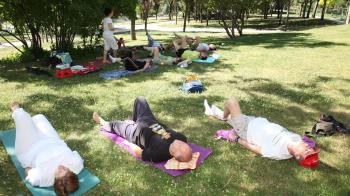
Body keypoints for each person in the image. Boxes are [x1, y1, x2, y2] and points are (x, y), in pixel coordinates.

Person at [204, 98, 317, 160]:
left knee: (232, 103)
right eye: (311, 149)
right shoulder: (296, 139)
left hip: (245, 130)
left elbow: (255, 149)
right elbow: (308, 143)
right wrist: (308, 150)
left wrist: (237, 139)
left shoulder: (278, 153)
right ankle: (213, 113)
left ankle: (223, 117)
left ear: (297, 155)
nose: (308, 146)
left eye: (307, 150)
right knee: (231, 117)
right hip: (255, 121)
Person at [10, 102, 83, 195]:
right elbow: (78, 161)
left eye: (60, 172)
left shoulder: (45, 178)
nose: (62, 167)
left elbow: (28, 172)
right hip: (51, 139)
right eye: (66, 169)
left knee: (22, 117)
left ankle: (16, 109)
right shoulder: (76, 165)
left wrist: (29, 168)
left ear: (56, 180)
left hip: (30, 147)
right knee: (39, 117)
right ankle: (32, 122)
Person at [93, 96, 193, 163]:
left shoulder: (159, 154)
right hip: (149, 121)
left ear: (174, 155)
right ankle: (134, 120)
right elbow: (182, 141)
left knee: (116, 125)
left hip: (135, 133)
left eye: (180, 145)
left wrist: (128, 143)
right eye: (184, 144)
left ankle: (102, 122)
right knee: (140, 99)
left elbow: (140, 153)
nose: (180, 142)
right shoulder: (182, 138)